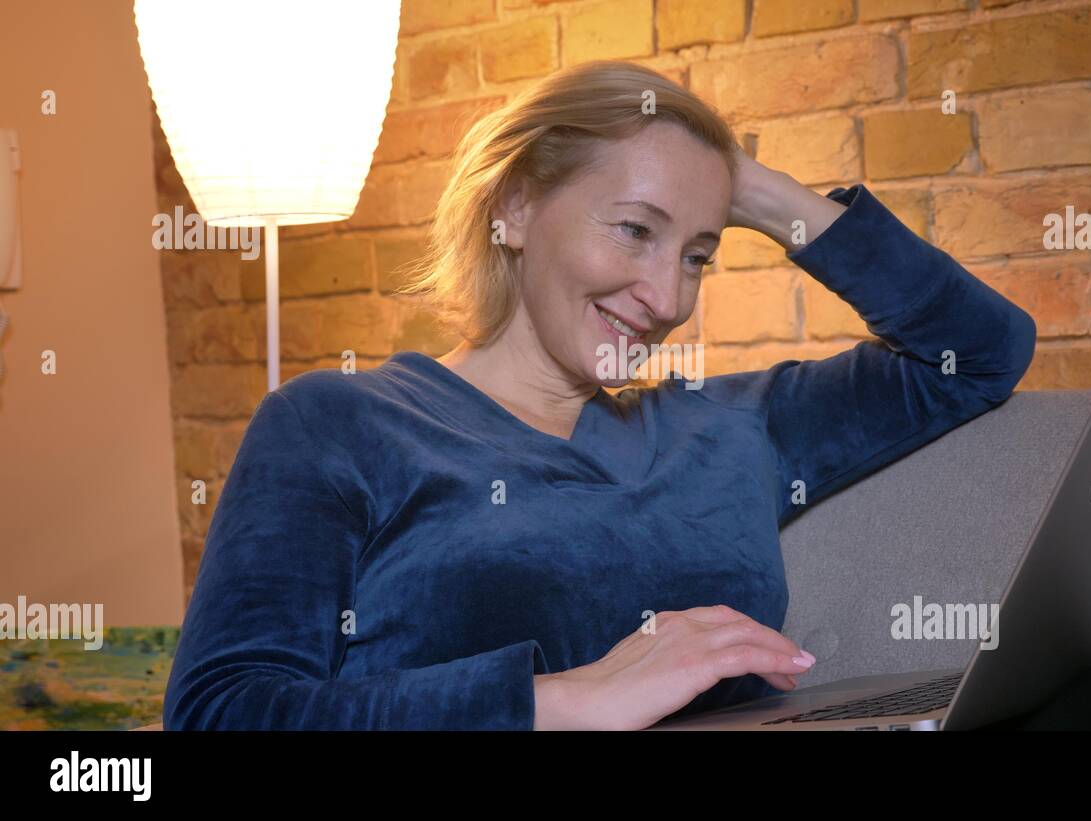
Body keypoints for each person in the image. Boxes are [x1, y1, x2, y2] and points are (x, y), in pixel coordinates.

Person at [163, 60, 1036, 731]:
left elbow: (979, 352)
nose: (667, 298)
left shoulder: (732, 429)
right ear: (513, 207)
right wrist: (565, 699)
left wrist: (752, 186)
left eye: (697, 253)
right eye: (634, 230)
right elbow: (224, 711)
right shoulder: (339, 423)